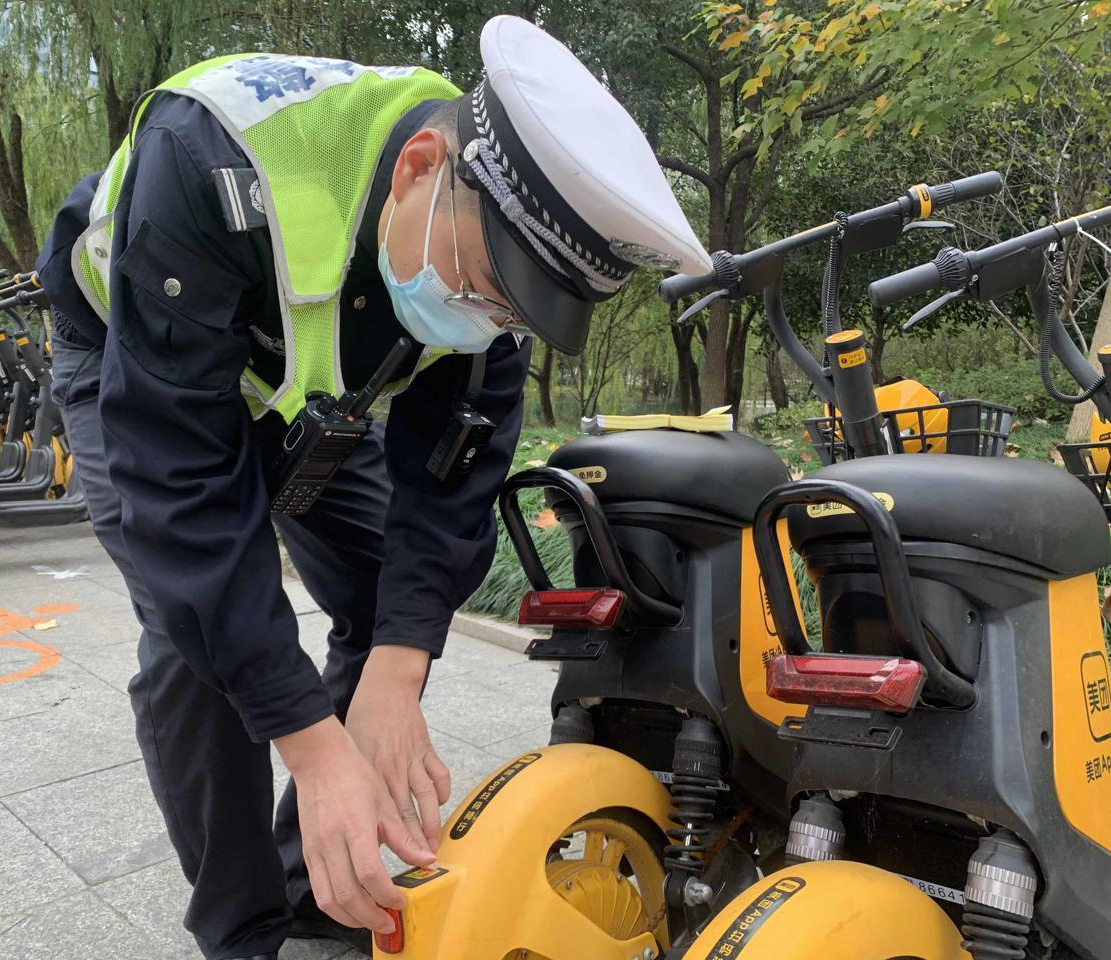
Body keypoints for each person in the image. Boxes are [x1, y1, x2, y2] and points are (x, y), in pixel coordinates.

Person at [36, 15, 709, 960]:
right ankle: (249, 930)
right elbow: (182, 493)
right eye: (479, 289)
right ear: (418, 168)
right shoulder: (212, 159)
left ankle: (322, 890)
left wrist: (398, 669)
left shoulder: (485, 288)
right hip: (137, 359)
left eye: (511, 314)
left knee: (380, 595)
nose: (483, 325)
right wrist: (311, 744)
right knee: (193, 640)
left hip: (314, 394)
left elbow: (451, 482)